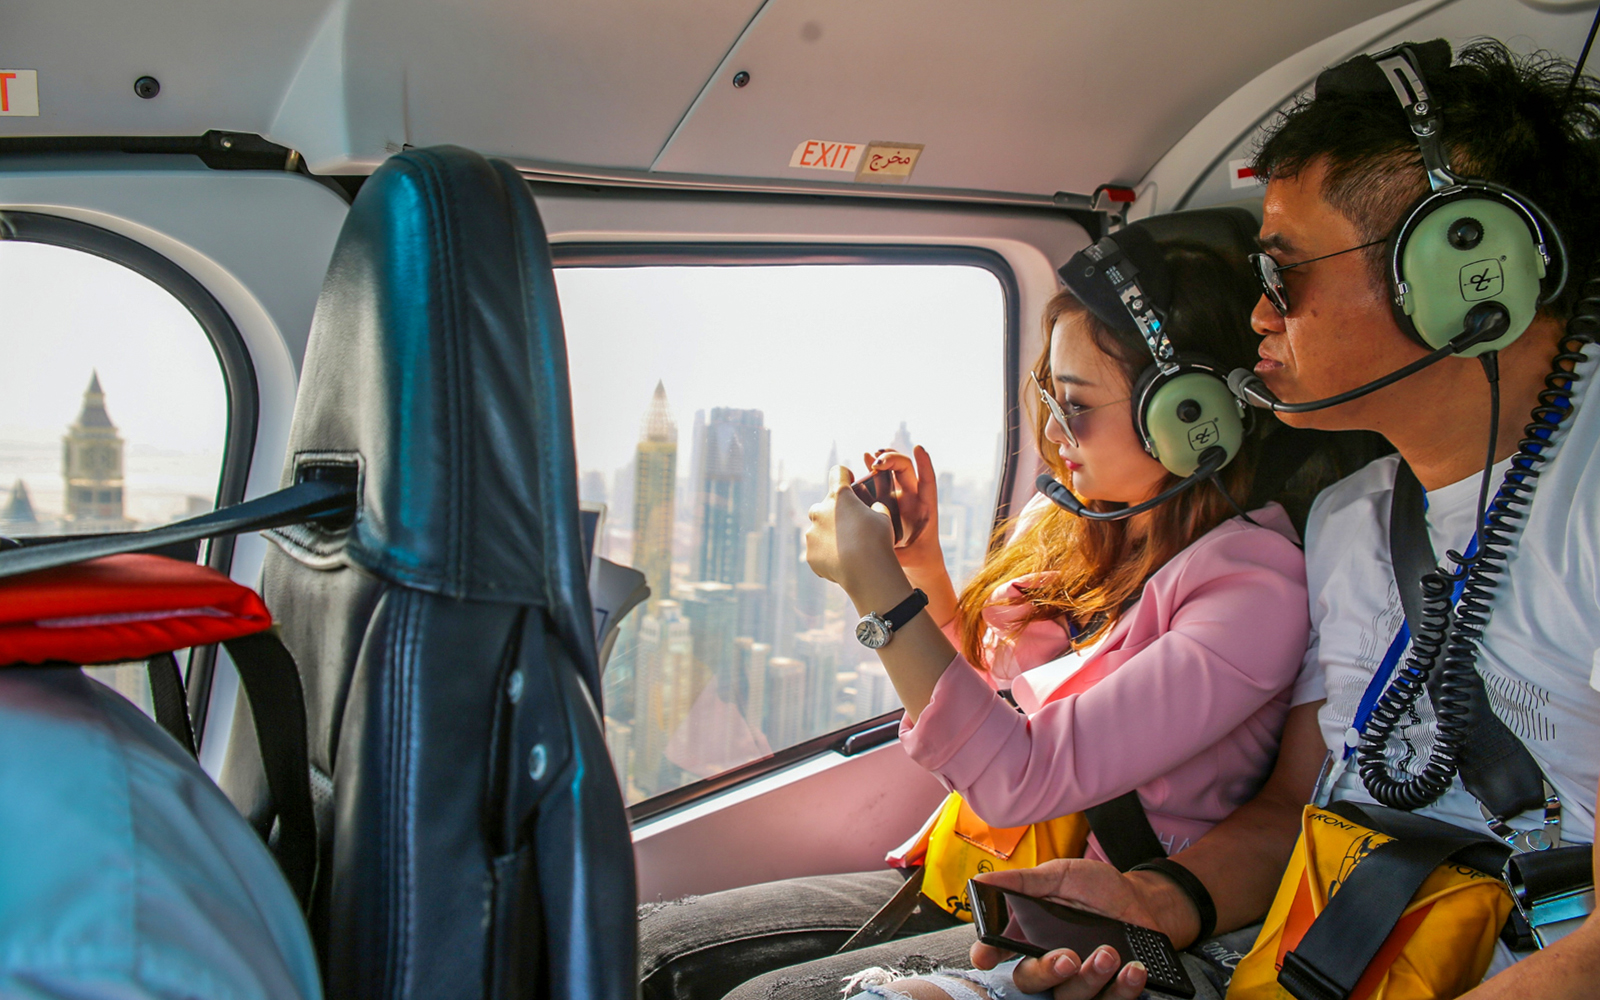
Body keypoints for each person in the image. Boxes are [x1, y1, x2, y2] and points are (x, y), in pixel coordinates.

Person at [911, 38, 1600, 1000]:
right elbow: (1297, 812)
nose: (1259, 320)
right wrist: (1159, 901)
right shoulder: (1351, 523)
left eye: (1285, 276)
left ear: (1465, 266)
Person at [640, 226, 1319, 1000]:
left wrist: (877, 592)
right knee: (649, 947)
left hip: (1086, 915)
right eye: (1048, 398)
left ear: (1193, 417)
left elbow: (1015, 773)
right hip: (979, 872)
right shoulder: (1070, 520)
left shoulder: (1252, 588)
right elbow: (992, 699)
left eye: (1078, 406)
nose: (1055, 433)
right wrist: (918, 566)